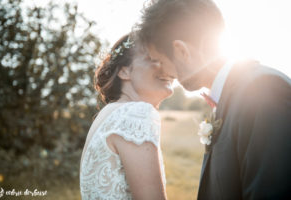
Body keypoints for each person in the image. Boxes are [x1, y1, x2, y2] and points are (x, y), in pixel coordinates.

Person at [137, 0, 291, 199]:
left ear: (182, 51)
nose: (163, 71)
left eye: (159, 60)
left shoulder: (262, 90)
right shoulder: (230, 94)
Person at [79, 33, 176, 200]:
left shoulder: (109, 113)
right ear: (124, 71)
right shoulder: (136, 113)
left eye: (166, 58)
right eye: (153, 58)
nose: (168, 67)